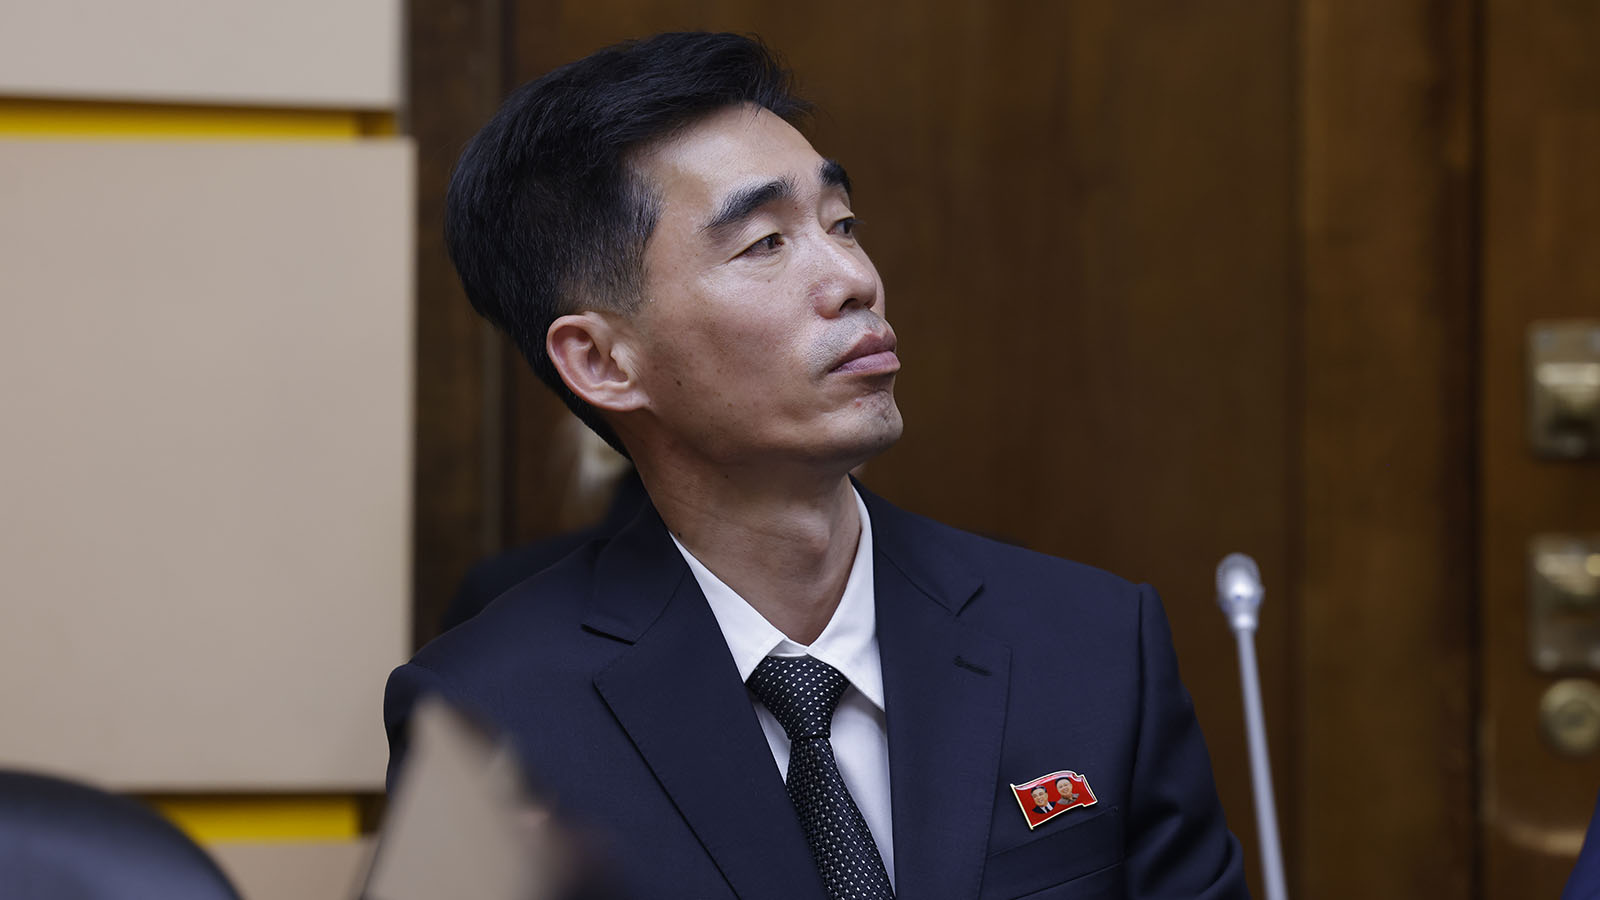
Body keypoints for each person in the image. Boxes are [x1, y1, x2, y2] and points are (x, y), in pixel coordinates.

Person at [385, 31, 1248, 900]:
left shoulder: (1092, 644)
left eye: (842, 223)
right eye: (765, 243)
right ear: (603, 362)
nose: (853, 278)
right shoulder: (493, 718)